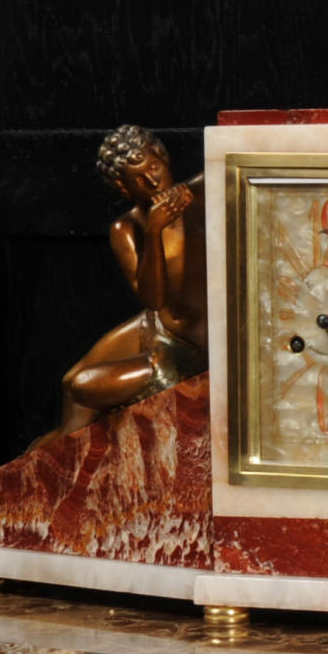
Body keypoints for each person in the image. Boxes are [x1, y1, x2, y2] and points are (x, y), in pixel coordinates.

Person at [36, 126, 208, 446]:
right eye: (138, 178)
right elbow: (153, 300)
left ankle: (61, 457)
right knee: (70, 384)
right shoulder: (127, 228)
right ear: (123, 187)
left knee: (83, 388)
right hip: (158, 324)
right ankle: (59, 456)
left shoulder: (202, 193)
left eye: (154, 168)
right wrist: (154, 230)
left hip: (187, 342)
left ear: (164, 158)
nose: (153, 181)